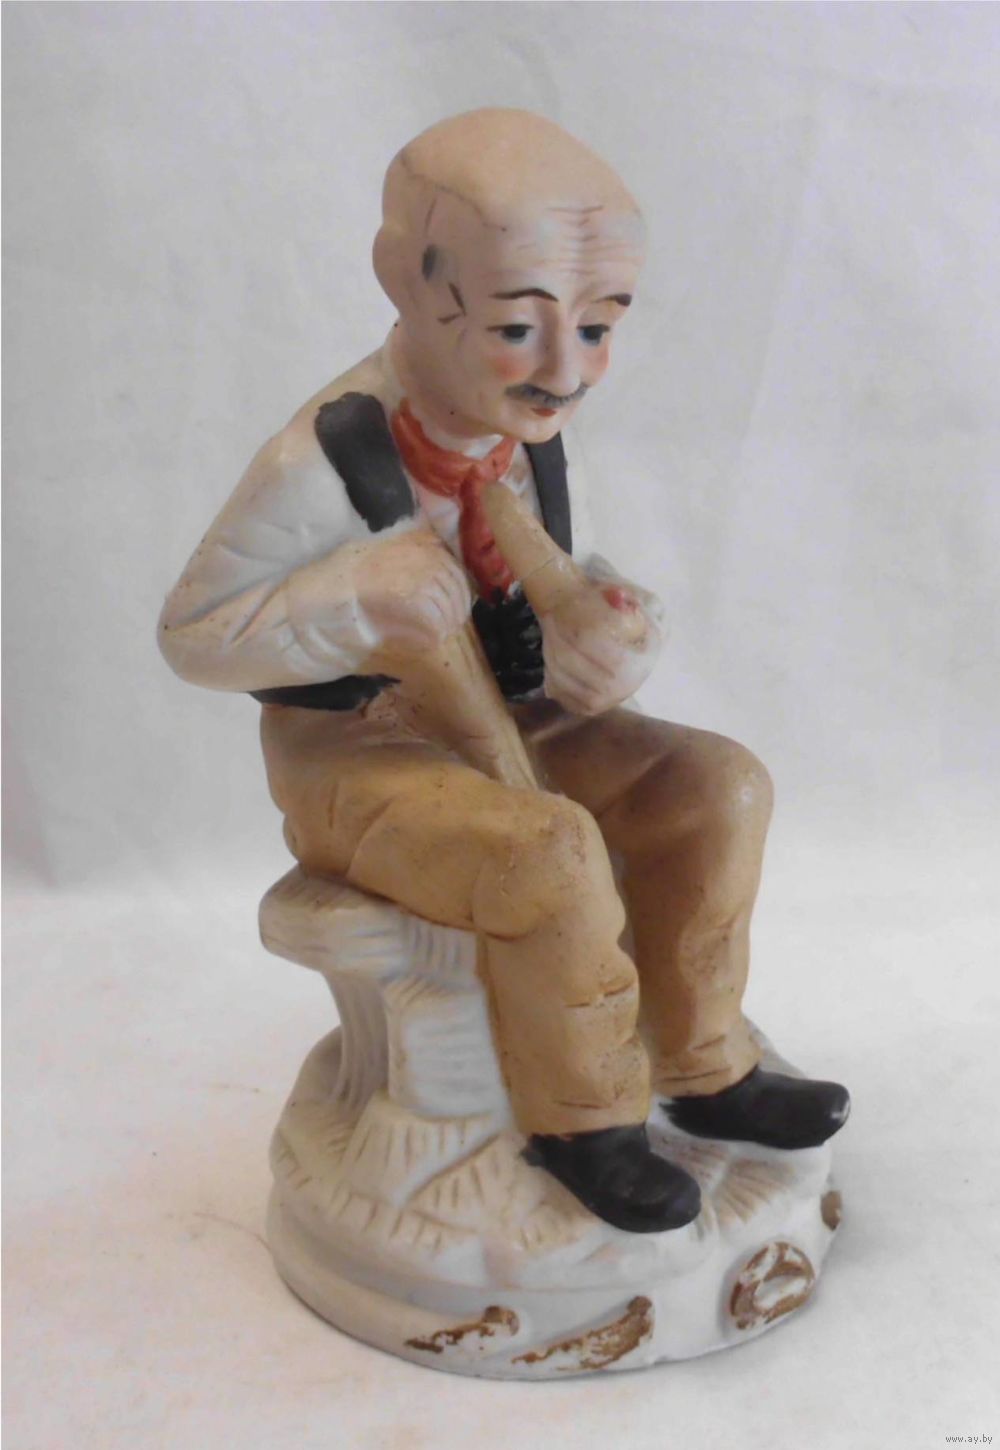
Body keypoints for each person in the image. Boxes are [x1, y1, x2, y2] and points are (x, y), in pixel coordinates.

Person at [159, 109, 849, 1235]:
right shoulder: (318, 461)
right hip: (363, 752)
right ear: (409, 285)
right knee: (547, 850)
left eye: (598, 327)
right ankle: (585, 1123)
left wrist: (613, 629)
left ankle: (703, 1061)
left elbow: (566, 578)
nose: (566, 371)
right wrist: (347, 599)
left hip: (521, 719)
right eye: (519, 327)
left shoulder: (521, 438)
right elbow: (194, 633)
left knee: (719, 786)